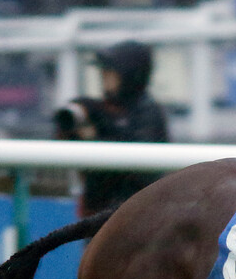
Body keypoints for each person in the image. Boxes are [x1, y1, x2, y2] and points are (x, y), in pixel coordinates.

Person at [54, 40, 169, 217]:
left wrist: (95, 140)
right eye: (103, 71)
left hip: (135, 218)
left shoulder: (149, 113)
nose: (104, 76)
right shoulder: (101, 110)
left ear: (130, 75)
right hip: (98, 217)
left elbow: (137, 169)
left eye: (110, 72)